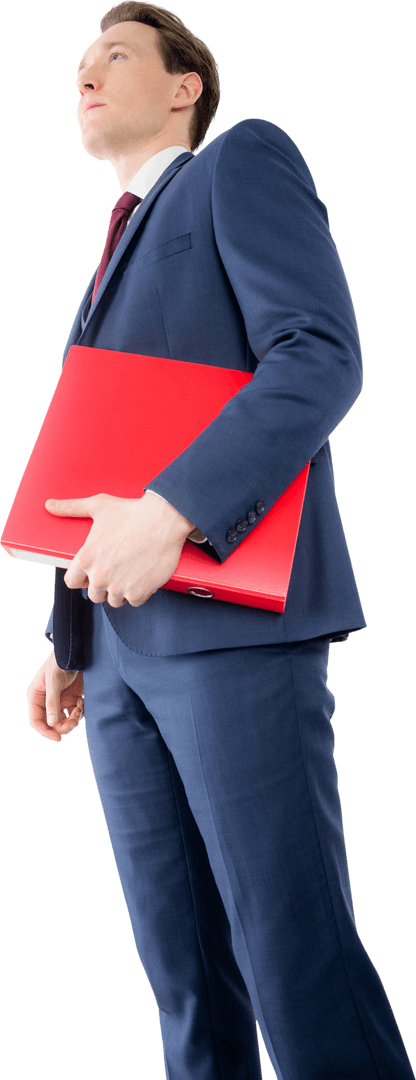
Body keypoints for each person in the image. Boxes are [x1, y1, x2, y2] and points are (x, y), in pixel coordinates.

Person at [25, 3, 414, 1078]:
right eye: (77, 68)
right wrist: (69, 635)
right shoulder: (107, 257)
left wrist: (173, 513)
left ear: (184, 85)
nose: (85, 77)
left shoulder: (236, 164)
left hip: (230, 631)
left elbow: (317, 357)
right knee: (184, 980)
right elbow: (100, 457)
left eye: (113, 57)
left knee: (292, 954)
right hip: (113, 658)